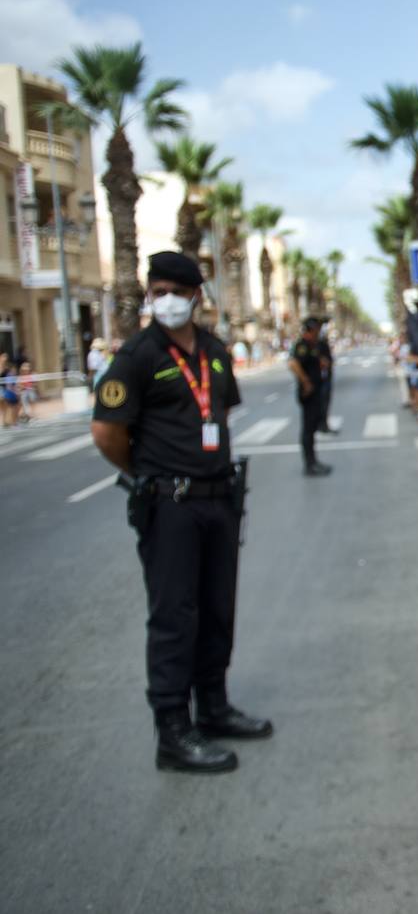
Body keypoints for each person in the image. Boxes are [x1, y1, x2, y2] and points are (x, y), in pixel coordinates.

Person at [90, 251, 272, 774]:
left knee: (217, 607)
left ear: (197, 295)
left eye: (175, 290)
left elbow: (220, 412)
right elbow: (106, 432)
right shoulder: (138, 356)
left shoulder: (213, 352)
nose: (165, 299)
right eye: (157, 289)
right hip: (169, 504)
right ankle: (173, 729)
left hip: (218, 499)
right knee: (175, 615)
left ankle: (213, 706)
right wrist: (149, 471)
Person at [288, 316, 333, 477]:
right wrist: (306, 381)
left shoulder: (312, 345)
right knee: (308, 429)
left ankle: (313, 462)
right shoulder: (302, 345)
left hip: (315, 391)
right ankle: (309, 464)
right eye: (316, 330)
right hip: (308, 393)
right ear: (310, 330)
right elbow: (293, 363)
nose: (318, 333)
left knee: (312, 428)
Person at [317, 321, 337, 435]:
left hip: (326, 377)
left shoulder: (322, 343)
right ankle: (322, 424)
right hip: (323, 378)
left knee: (325, 402)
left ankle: (323, 424)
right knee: (323, 402)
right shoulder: (319, 344)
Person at [0, 353, 18, 427]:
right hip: (1, 388)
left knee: (6, 405)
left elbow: (11, 376)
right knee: (4, 404)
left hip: (5, 388)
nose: (5, 358)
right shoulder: (1, 367)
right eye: (4, 357)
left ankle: (6, 421)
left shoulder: (7, 368)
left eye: (6, 357)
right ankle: (5, 421)